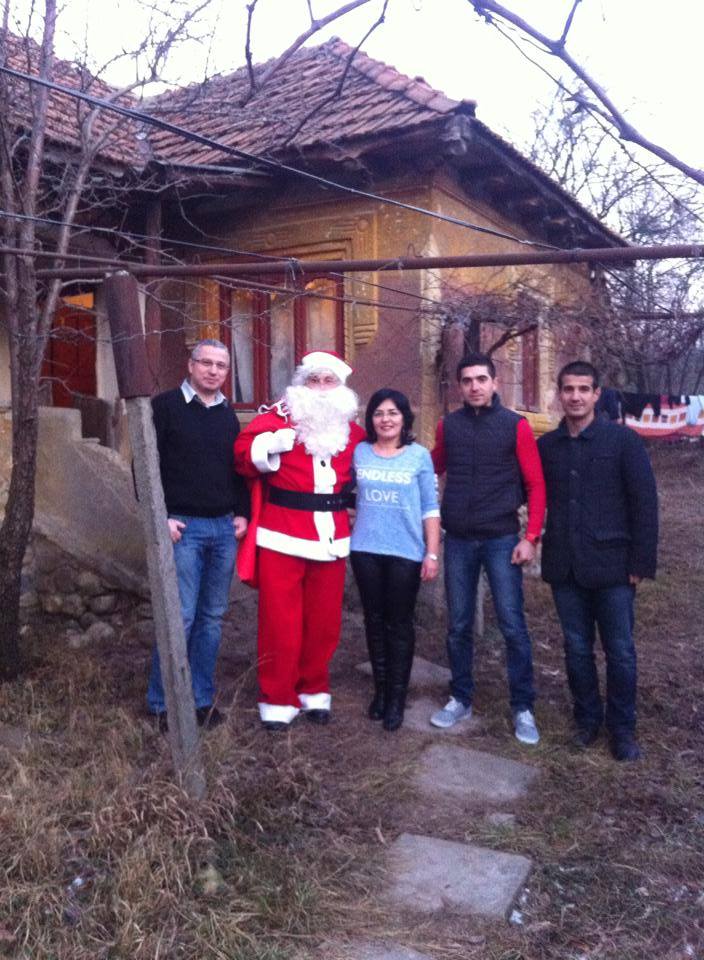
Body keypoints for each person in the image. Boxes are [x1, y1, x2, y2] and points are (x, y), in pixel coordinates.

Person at [234, 350, 365, 731]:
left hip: (332, 538)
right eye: (314, 380)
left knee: (324, 623)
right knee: (280, 622)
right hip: (282, 536)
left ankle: (314, 689)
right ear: (300, 384)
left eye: (329, 381)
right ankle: (277, 697)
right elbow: (241, 455)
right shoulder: (276, 419)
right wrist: (270, 445)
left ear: (341, 387)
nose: (321, 388)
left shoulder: (354, 433)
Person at [538, 361, 658, 761]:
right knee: (576, 648)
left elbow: (644, 504)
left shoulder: (623, 442)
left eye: (583, 389)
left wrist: (640, 563)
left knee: (620, 650)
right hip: (565, 566)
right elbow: (533, 492)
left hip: (614, 566)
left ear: (596, 394)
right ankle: (587, 719)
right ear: (560, 393)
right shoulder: (548, 447)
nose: (575, 396)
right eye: (568, 389)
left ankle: (621, 729)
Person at [430, 352, 546, 744]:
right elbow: (430, 467)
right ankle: (460, 697)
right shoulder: (449, 426)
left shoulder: (515, 426)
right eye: (467, 381)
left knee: (512, 625)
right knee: (458, 625)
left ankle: (523, 707)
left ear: (495, 383)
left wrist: (531, 537)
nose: (475, 386)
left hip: (501, 539)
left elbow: (536, 484)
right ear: (459, 386)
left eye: (481, 379)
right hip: (459, 540)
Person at [147, 338, 249, 732]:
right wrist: (160, 518)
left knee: (211, 619)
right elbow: (145, 463)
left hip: (223, 529)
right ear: (190, 365)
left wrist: (241, 512)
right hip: (182, 529)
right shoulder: (165, 407)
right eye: (206, 363)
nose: (213, 371)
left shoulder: (227, 415)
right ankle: (163, 704)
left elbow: (237, 469)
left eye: (221, 366)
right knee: (181, 617)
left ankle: (200, 699)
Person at [350, 389, 441, 732]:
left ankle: (397, 699)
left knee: (399, 624)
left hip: (405, 552)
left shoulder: (419, 456)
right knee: (373, 621)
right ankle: (381, 691)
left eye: (392, 413)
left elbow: (430, 508)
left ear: (404, 418)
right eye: (378, 413)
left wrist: (432, 553)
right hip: (366, 550)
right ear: (370, 419)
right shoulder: (360, 452)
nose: (385, 419)